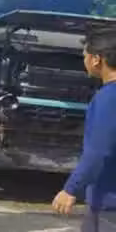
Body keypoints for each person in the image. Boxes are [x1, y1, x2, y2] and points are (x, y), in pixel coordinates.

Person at [52, 27, 116, 232]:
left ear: (97, 59)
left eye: (85, 56)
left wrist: (71, 189)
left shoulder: (108, 98)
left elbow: (98, 151)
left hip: (109, 202)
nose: (84, 61)